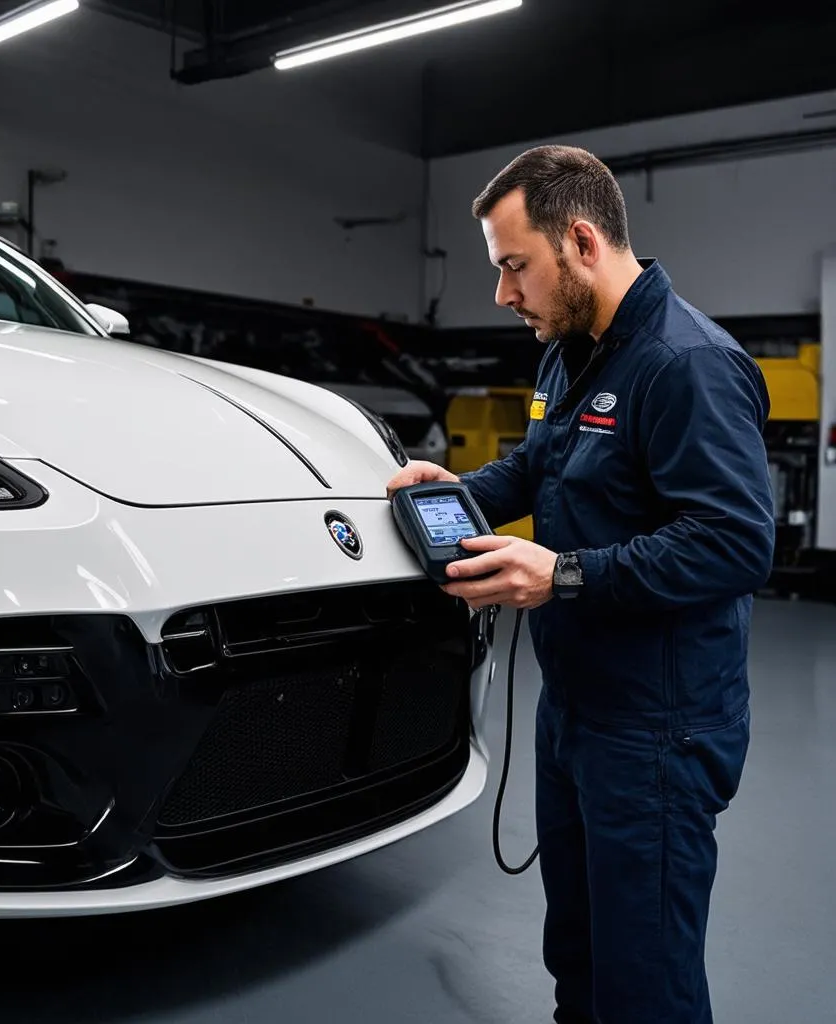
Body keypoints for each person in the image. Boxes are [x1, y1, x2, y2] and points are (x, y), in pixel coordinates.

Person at [387, 145, 775, 1024]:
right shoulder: (567, 352)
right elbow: (542, 466)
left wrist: (560, 573)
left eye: (513, 266)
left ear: (583, 241)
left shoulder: (687, 366)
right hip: (577, 710)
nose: (503, 294)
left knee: (645, 984)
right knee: (579, 959)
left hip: (659, 727)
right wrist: (457, 493)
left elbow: (736, 543)